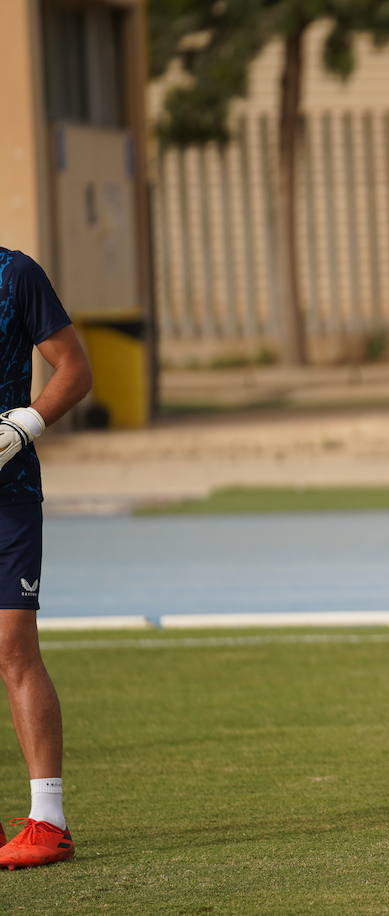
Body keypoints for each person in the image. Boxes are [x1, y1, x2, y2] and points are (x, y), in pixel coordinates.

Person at [0, 248, 93, 870]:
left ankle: (48, 822)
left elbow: (75, 369)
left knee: (12, 648)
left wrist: (22, 426)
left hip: (8, 495)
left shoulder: (15, 274)